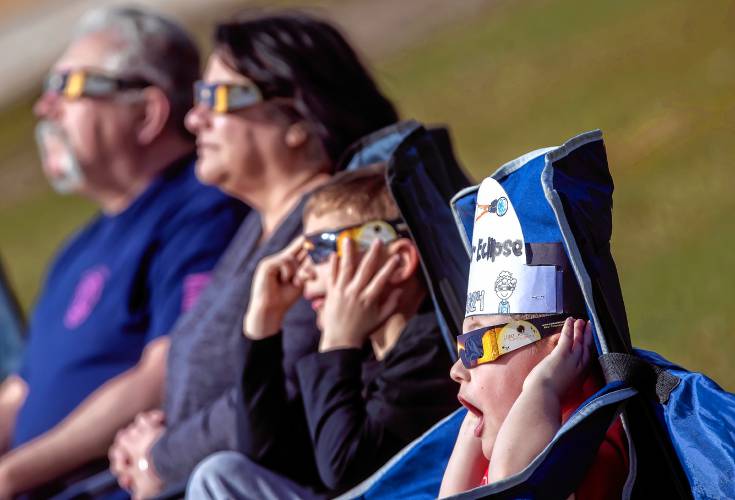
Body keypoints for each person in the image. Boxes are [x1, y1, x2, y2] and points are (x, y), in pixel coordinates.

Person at [108, 12, 399, 499]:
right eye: (200, 98)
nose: (195, 118)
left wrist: (159, 455)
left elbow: (286, 384)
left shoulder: (331, 232)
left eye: (221, 98)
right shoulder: (258, 227)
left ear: (299, 121)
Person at [0, 7, 247, 498]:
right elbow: (19, 394)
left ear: (146, 113)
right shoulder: (78, 248)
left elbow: (169, 371)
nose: (44, 109)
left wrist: (14, 474)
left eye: (67, 89)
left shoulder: (201, 210)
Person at [186, 165, 459, 499]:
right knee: (222, 473)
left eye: (321, 248)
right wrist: (264, 326)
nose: (303, 272)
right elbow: (264, 455)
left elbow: (345, 469)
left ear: (399, 261)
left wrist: (337, 344)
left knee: (217, 480)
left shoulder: (432, 353)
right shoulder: (361, 356)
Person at [439, 175, 628, 498]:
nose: (456, 370)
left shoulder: (589, 457)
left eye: (476, 346)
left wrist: (543, 390)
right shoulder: (499, 451)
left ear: (556, 353)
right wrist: (475, 420)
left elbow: (513, 491)